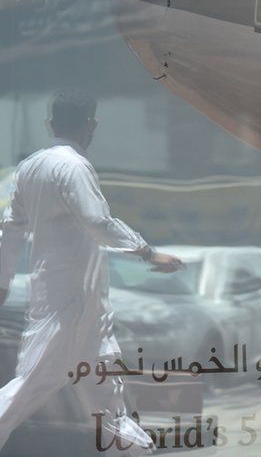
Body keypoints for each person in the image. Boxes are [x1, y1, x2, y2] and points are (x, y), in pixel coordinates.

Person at [0, 90, 182, 454]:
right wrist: (147, 252)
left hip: (69, 299)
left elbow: (10, 229)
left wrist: (2, 282)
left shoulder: (30, 168)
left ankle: (138, 451)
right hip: (72, 303)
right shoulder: (74, 167)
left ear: (51, 124)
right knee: (30, 386)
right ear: (91, 125)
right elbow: (97, 221)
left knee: (105, 394)